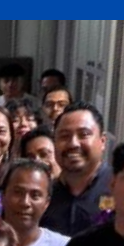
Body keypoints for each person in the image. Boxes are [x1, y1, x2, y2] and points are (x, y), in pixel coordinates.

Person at [40, 101, 113, 237]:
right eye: (64, 136)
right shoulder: (44, 194)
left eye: (84, 134)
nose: (73, 144)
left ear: (102, 141)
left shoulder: (121, 189)